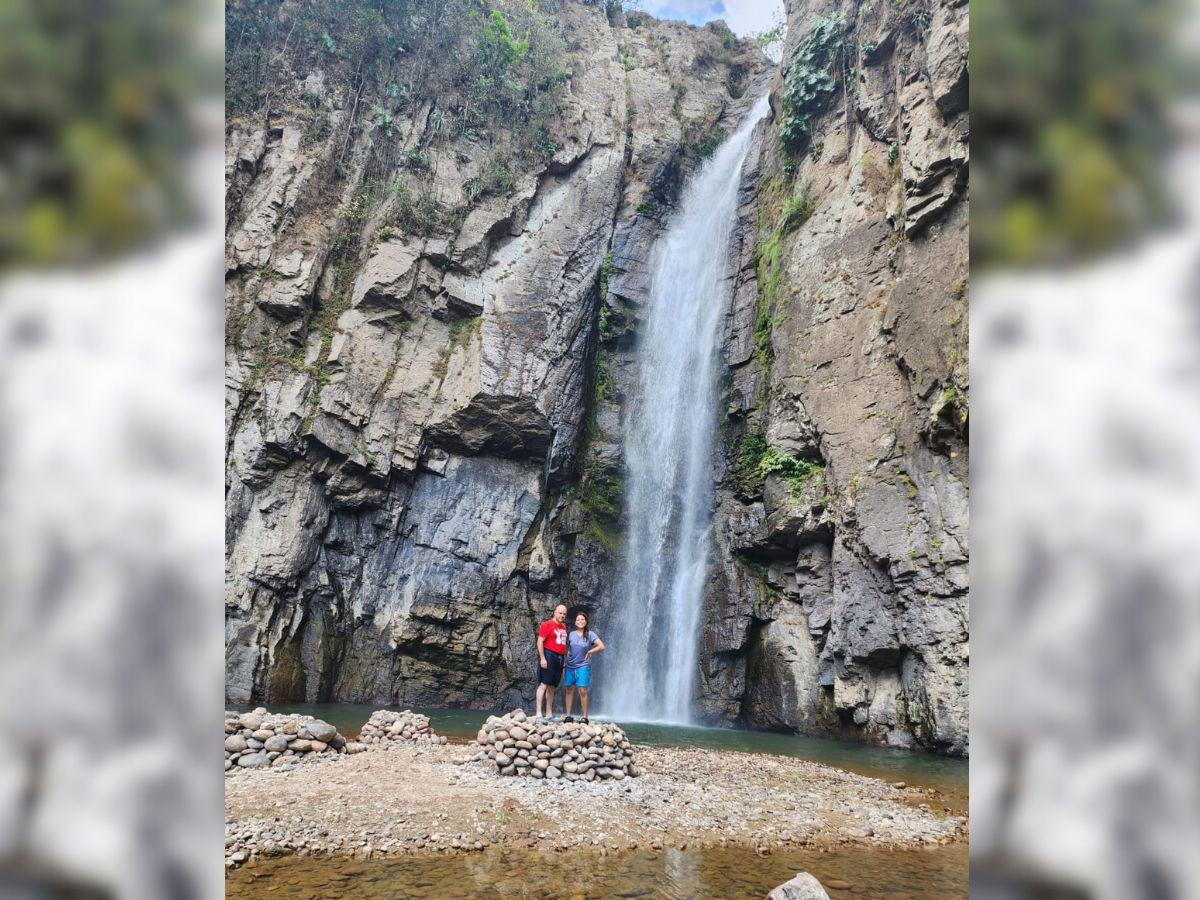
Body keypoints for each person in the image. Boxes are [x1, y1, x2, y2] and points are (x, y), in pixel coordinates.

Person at [562, 611, 604, 724]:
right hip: (570, 665)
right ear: (575, 622)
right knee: (569, 689)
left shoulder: (591, 634)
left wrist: (591, 650)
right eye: (578, 620)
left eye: (582, 619)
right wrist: (565, 658)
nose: (580, 621)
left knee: (582, 690)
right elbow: (564, 647)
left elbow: (601, 646)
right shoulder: (570, 634)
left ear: (586, 621)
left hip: (583, 666)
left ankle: (585, 717)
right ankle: (568, 716)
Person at [535, 604, 568, 720]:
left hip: (559, 658)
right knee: (543, 684)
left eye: (564, 614)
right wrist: (543, 658)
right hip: (549, 655)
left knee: (552, 686)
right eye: (560, 613)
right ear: (555, 612)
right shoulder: (547, 624)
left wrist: (563, 659)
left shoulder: (563, 627)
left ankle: (549, 713)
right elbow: (540, 642)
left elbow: (563, 644)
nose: (562, 615)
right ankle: (538, 713)